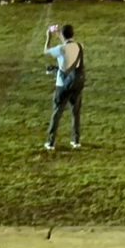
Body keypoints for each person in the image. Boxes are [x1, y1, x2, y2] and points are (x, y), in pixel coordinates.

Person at [42, 23, 85, 152]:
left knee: (57, 113)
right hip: (76, 84)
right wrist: (61, 34)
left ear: (62, 34)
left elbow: (46, 50)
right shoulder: (79, 46)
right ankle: (76, 140)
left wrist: (49, 36)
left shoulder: (61, 49)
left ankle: (50, 142)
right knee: (75, 113)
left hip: (62, 84)